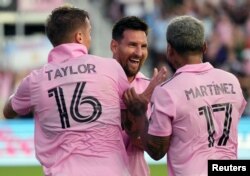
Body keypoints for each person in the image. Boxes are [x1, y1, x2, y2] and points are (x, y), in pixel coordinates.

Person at [3, 6, 132, 176]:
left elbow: (8, 111)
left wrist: (24, 95)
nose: (90, 38)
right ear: (79, 37)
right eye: (89, 33)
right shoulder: (111, 67)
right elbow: (130, 111)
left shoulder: (35, 80)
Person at [123, 15, 247, 176]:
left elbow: (157, 151)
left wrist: (139, 114)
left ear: (169, 51)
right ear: (204, 47)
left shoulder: (168, 91)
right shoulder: (231, 81)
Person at [110, 16, 151, 176]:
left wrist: (138, 116)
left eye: (144, 46)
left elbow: (153, 147)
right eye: (132, 45)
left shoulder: (150, 88)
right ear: (114, 46)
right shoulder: (95, 84)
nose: (139, 53)